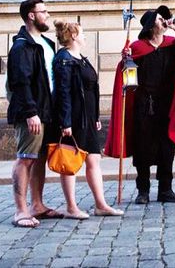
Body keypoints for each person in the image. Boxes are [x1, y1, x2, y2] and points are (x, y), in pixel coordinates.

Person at [104, 5, 175, 204]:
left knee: (167, 148)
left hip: (166, 105)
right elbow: (126, 75)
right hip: (143, 105)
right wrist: (125, 60)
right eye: (159, 18)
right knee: (143, 148)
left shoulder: (172, 44)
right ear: (150, 25)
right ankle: (143, 191)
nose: (163, 20)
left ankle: (166, 189)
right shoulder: (138, 48)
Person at [52, 21, 124, 219]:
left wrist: (96, 116)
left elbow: (92, 89)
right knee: (70, 161)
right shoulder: (63, 59)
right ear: (73, 35)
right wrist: (65, 122)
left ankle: (100, 204)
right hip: (73, 119)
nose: (85, 36)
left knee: (94, 159)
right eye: (82, 33)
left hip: (88, 118)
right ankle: (71, 207)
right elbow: (63, 93)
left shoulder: (81, 59)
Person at [6, 0, 59, 228]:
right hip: (31, 112)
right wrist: (30, 112)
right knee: (25, 159)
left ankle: (37, 204)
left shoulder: (46, 43)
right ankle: (21, 211)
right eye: (43, 11)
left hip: (46, 111)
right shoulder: (21, 46)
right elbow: (20, 82)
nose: (46, 15)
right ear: (31, 15)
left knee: (39, 159)